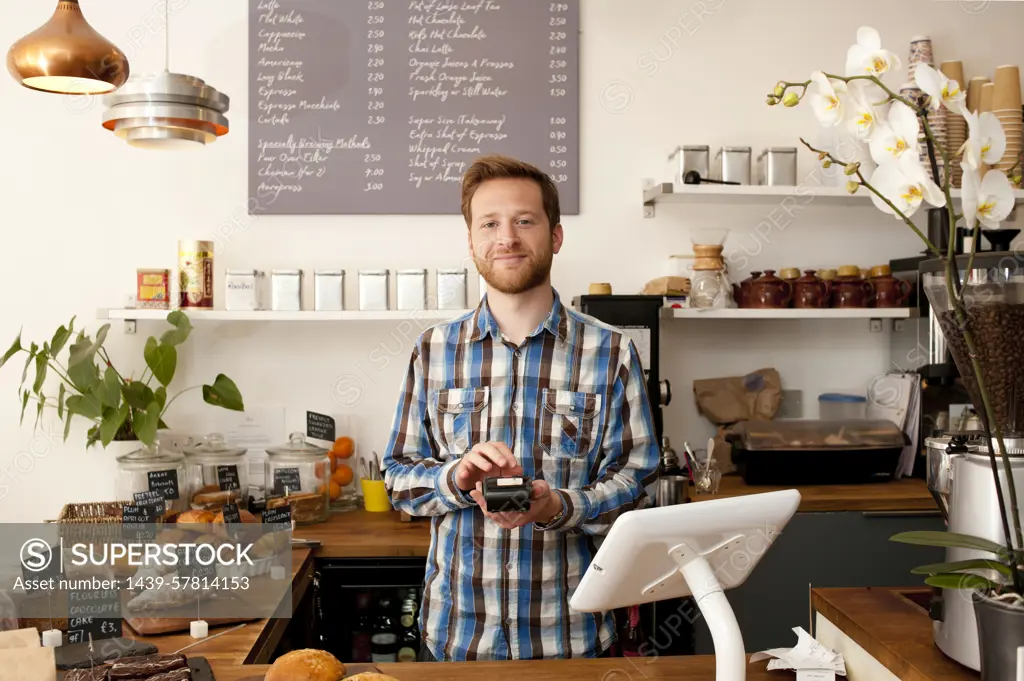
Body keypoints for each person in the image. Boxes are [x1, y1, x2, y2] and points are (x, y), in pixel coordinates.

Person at [381, 154, 660, 661]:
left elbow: (638, 486)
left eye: (524, 221)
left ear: (555, 236)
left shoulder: (612, 352)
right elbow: (398, 480)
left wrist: (557, 507)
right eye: (489, 223)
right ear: (471, 242)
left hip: (570, 640)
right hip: (455, 639)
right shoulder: (433, 350)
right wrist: (456, 479)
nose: (506, 237)